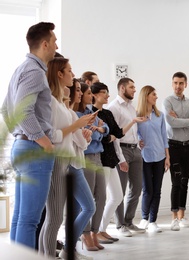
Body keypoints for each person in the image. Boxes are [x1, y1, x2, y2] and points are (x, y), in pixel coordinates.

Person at [1, 22, 56, 250]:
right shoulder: (34, 71)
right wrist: (43, 141)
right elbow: (22, 111)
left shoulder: (21, 69)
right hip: (34, 150)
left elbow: (6, 109)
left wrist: (22, 134)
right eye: (54, 42)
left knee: (20, 218)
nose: (56, 46)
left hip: (22, 146)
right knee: (30, 219)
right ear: (44, 44)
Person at [38, 57, 95, 258]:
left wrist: (81, 131)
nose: (73, 74)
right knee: (53, 219)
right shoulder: (52, 103)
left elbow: (74, 139)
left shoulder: (62, 105)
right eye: (69, 71)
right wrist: (77, 126)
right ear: (59, 74)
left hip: (67, 161)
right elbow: (52, 135)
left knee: (56, 218)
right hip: (57, 161)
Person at [91, 82, 145, 243]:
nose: (107, 95)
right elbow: (105, 136)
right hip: (100, 158)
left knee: (117, 196)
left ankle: (101, 229)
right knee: (100, 198)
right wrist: (106, 133)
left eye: (107, 92)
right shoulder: (90, 112)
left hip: (111, 158)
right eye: (104, 93)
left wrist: (133, 121)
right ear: (94, 95)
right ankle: (95, 232)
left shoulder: (106, 113)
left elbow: (117, 133)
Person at [59, 79, 96, 260]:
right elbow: (81, 143)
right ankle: (68, 248)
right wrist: (87, 137)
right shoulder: (72, 115)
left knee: (76, 210)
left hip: (72, 164)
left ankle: (69, 248)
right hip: (74, 166)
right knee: (89, 207)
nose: (81, 93)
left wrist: (84, 136)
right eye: (79, 90)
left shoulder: (71, 114)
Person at [163, 72, 189, 231]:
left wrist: (181, 120)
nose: (178, 86)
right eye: (175, 83)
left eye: (181, 83)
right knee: (176, 182)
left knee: (185, 181)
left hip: (188, 146)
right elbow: (170, 122)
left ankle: (182, 217)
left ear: (186, 84)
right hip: (174, 146)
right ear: (172, 84)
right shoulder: (167, 101)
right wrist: (188, 120)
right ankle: (174, 219)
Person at [75, 82, 110, 250]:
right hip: (86, 158)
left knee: (102, 196)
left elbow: (106, 129)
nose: (91, 96)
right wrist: (98, 131)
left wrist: (98, 130)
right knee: (87, 200)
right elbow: (85, 136)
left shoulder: (91, 112)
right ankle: (86, 233)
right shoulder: (76, 114)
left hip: (98, 157)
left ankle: (95, 231)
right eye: (89, 93)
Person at [108, 78, 144, 237]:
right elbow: (115, 135)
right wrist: (120, 158)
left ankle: (129, 221)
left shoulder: (131, 108)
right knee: (120, 191)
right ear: (122, 88)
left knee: (137, 188)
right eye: (131, 87)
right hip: (121, 150)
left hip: (135, 150)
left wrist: (137, 141)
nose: (134, 90)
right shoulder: (113, 108)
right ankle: (120, 224)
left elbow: (131, 129)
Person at [136, 85, 170, 233]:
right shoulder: (137, 115)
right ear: (146, 96)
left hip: (160, 157)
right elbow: (134, 133)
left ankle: (153, 221)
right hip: (144, 157)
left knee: (157, 190)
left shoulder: (160, 115)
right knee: (147, 190)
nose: (156, 97)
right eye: (154, 94)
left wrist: (167, 157)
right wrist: (138, 140)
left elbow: (164, 137)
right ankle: (144, 218)